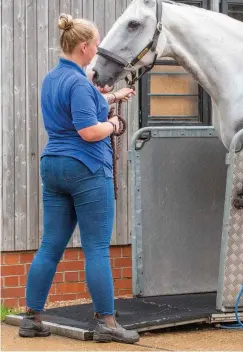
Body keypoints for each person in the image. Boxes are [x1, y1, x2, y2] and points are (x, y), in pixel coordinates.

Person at [18, 14, 139, 344]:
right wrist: (114, 125)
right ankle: (108, 323)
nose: (98, 49)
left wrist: (112, 98)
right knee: (97, 248)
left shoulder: (53, 78)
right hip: (85, 167)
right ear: (84, 47)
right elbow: (88, 131)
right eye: (97, 44)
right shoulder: (79, 84)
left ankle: (32, 317)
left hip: (53, 166)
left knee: (50, 245)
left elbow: (83, 104)